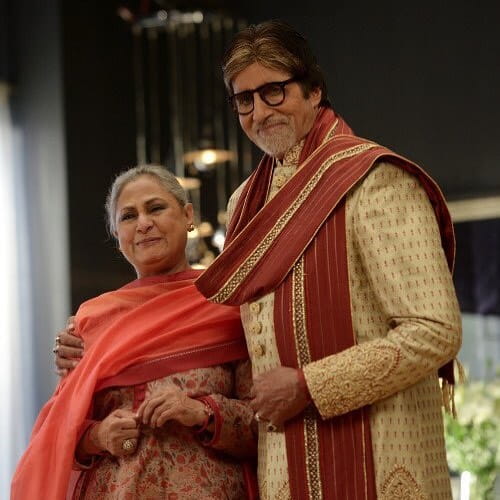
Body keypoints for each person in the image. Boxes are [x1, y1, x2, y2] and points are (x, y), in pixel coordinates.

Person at [194, 20, 462, 499]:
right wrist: (98, 340)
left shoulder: (374, 180)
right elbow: (234, 337)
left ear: (315, 90)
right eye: (244, 99)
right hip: (285, 472)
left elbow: (435, 329)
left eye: (274, 91)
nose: (259, 110)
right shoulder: (244, 205)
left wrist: (310, 385)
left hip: (383, 464)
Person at [12, 165, 257, 499]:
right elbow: (59, 435)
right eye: (128, 216)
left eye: (156, 208)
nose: (143, 223)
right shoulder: (93, 320)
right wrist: (98, 437)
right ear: (117, 235)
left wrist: (200, 412)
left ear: (188, 216)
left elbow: (265, 426)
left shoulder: (229, 303)